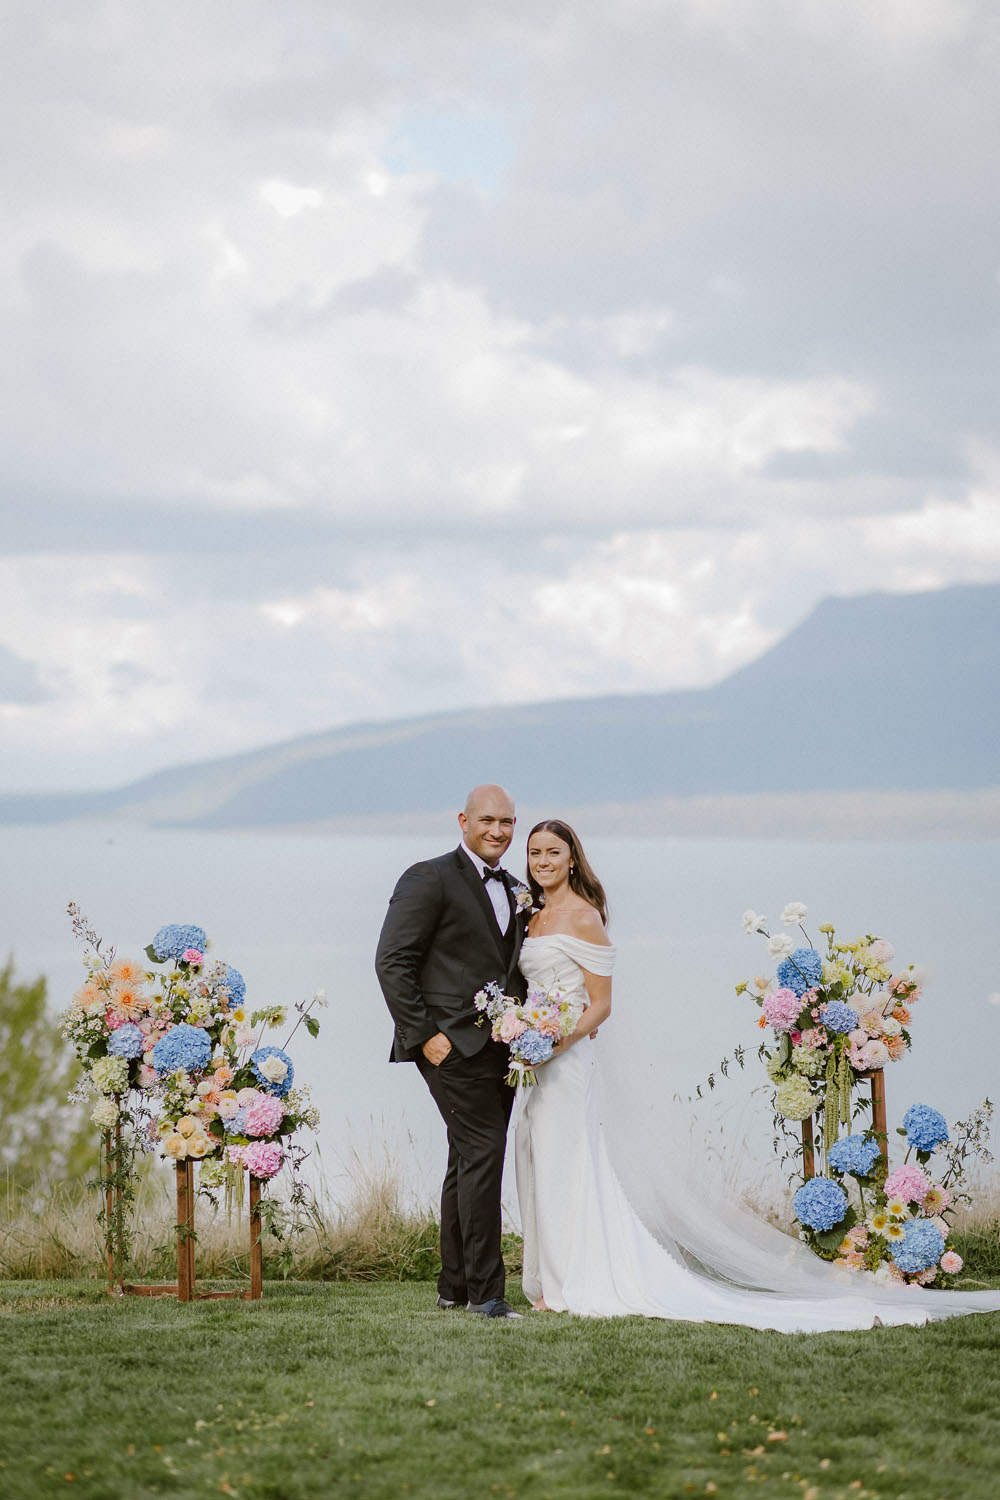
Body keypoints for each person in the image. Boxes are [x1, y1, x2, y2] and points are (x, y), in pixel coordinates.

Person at [514, 818, 1000, 1331]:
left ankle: (578, 1279)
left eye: (552, 852)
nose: (542, 862)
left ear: (572, 859)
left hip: (564, 1063)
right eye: (535, 853)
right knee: (543, 1163)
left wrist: (551, 1045)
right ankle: (554, 1278)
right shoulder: (535, 916)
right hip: (537, 1060)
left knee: (570, 1164)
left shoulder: (584, 917)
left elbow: (601, 1005)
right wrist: (524, 1034)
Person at [375, 784, 530, 1320]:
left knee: (466, 1158)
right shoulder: (429, 877)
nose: (498, 831)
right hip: (448, 1046)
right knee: (484, 1153)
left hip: (500, 1048)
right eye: (487, 820)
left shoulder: (514, 888)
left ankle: (456, 1286)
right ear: (462, 821)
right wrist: (424, 1036)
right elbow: (392, 960)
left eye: (507, 822)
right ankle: (488, 1295)